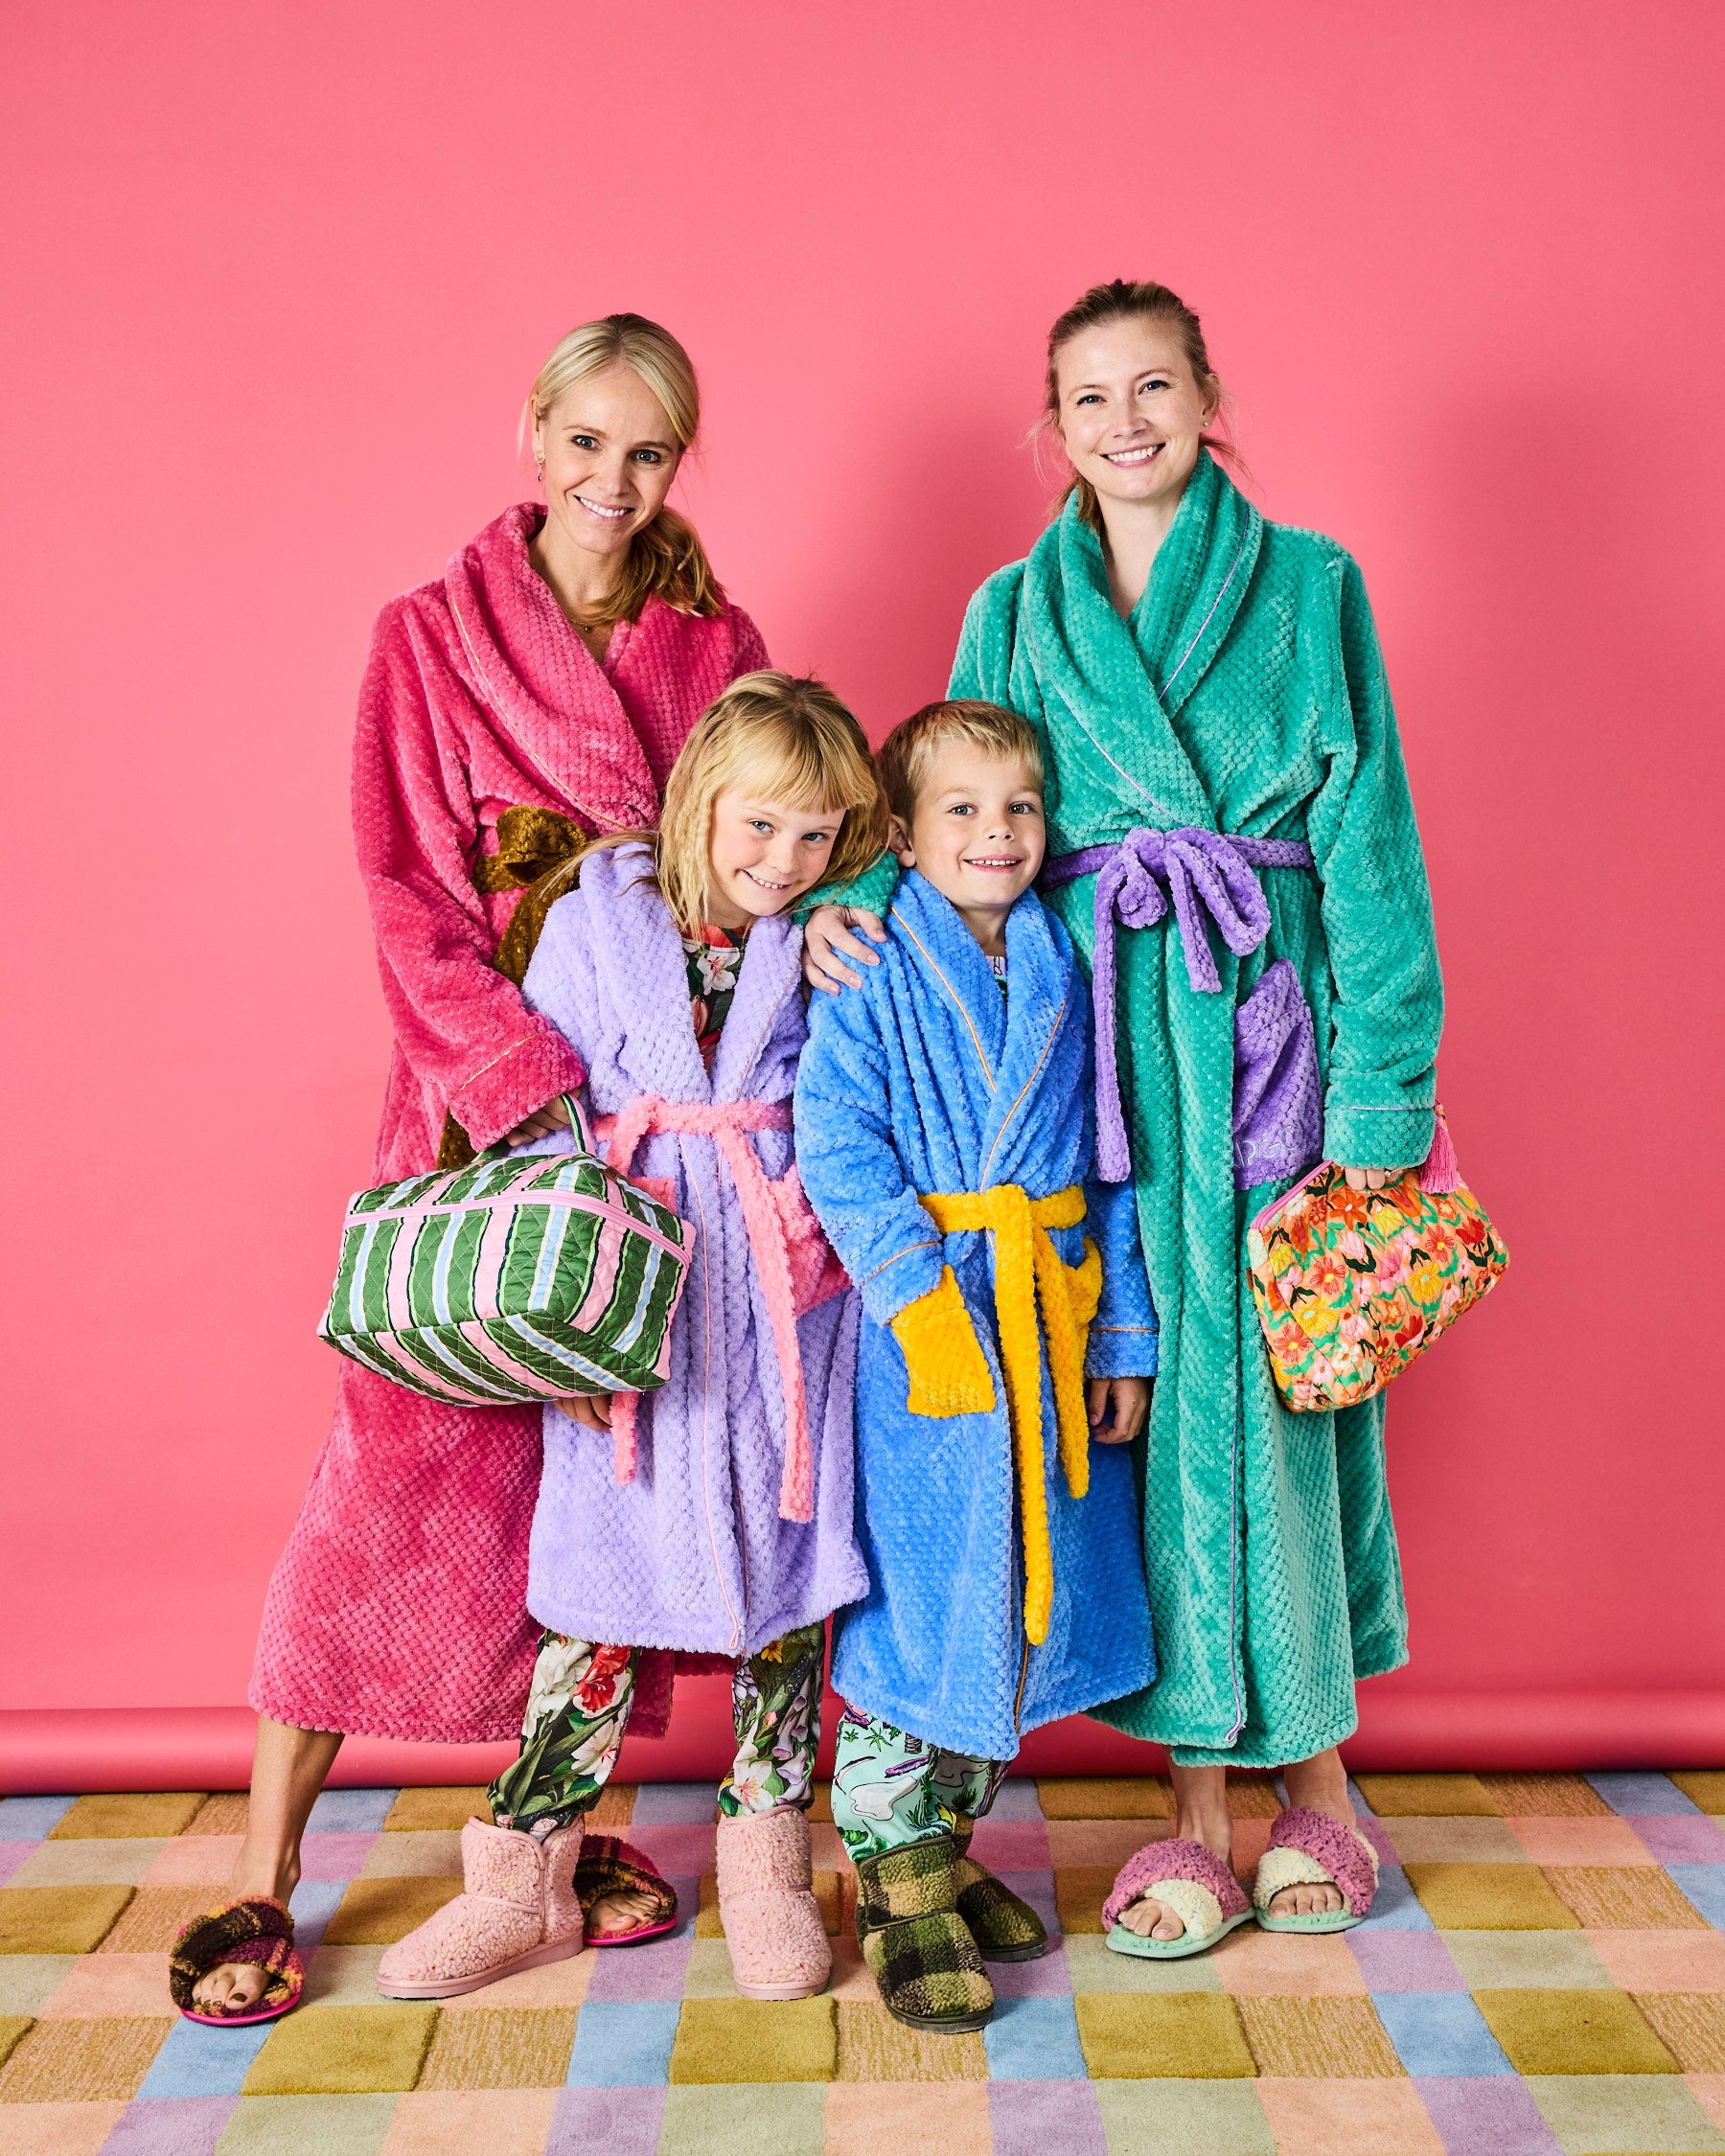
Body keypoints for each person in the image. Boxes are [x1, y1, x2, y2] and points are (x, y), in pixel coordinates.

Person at [804, 280, 1443, 1952]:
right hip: (1092, 1055)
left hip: (1262, 1038)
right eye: (1089, 399)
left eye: (1153, 385)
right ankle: (1191, 1816)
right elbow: (942, 801)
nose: (1126, 421)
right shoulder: (1013, 605)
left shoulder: (1312, 586)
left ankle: (1319, 1790)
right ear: (1054, 429)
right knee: (1143, 1423)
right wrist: (843, 909)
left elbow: (1370, 846)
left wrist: (1384, 1098)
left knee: (1289, 1407)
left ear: (1210, 392)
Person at [179, 314, 773, 2023]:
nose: (612, 480)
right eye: (584, 441)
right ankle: (262, 1867)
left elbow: (753, 845)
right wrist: (520, 1085)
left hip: (661, 1105)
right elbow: (401, 894)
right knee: (397, 1467)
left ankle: (556, 1830)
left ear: (678, 463)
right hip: (477, 1100)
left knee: (601, 1480)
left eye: (647, 451)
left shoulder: (716, 641)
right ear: (532, 436)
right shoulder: (428, 638)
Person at [374, 673, 883, 2005]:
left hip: (784, 1298)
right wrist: (588, 1230)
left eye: (818, 837)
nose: (785, 861)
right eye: (763, 827)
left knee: (789, 1591)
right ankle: (520, 1879)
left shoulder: (834, 931)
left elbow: (853, 1093)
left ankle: (769, 1864)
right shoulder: (593, 921)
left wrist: (813, 1221)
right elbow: (543, 1089)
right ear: (705, 792)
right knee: (593, 1606)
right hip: (636, 1299)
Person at [794, 700, 1158, 2031]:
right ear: (902, 832)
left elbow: (1111, 1158)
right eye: (961, 808)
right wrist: (916, 1299)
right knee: (923, 1598)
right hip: (932, 1332)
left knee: (1009, 1607)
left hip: (1047, 1315)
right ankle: (891, 1883)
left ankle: (938, 1849)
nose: (996, 833)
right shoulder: (874, 956)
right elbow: (835, 1137)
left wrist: (1123, 1332)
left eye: (1018, 808)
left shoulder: (1066, 958)